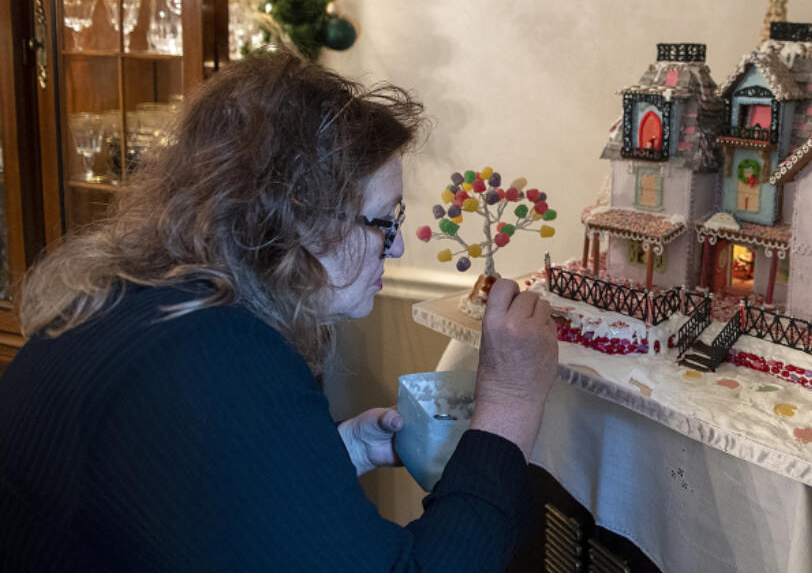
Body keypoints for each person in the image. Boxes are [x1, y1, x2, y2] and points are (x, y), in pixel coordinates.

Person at [0, 51, 558, 572]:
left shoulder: (147, 305)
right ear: (296, 220)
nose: (396, 247)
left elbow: (190, 506)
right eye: (383, 220)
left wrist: (336, 453)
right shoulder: (219, 358)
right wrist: (510, 405)